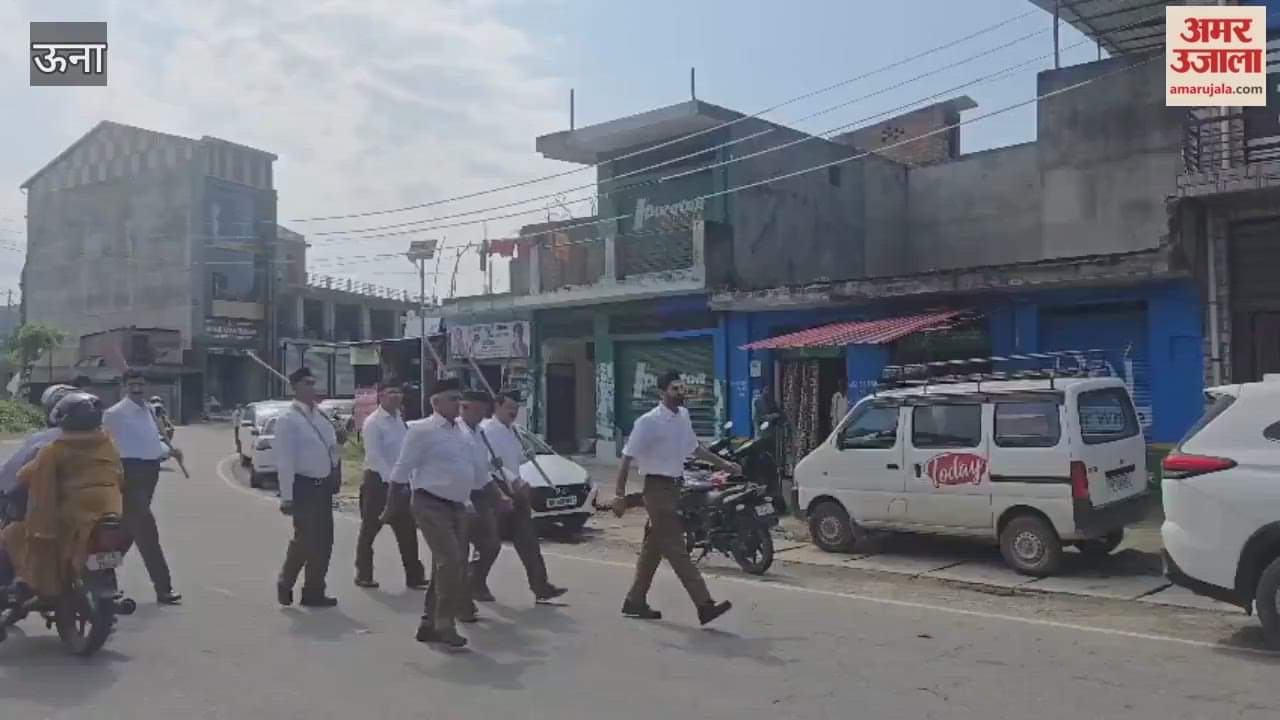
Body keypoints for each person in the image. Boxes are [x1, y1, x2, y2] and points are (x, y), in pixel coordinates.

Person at [611, 370, 739, 626]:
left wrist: (724, 464)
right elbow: (626, 458)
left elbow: (694, 448)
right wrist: (618, 494)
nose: (680, 393)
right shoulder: (648, 422)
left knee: (653, 549)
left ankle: (634, 601)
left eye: (682, 388)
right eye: (674, 389)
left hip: (675, 488)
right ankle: (704, 604)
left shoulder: (683, 416)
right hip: (656, 489)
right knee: (676, 549)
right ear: (661, 392)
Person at [385, 377, 488, 649]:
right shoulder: (421, 430)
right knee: (451, 561)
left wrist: (472, 500)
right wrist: (391, 507)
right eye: (453, 399)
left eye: (460, 399)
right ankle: (445, 623)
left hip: (457, 506)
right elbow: (401, 470)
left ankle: (428, 623)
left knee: (447, 565)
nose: (458, 404)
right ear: (436, 402)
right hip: (429, 503)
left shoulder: (462, 432)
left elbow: (469, 471)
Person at [1, 392, 124, 600]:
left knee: (23, 532)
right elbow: (120, 475)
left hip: (72, 514)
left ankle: (28, 581)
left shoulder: (52, 448)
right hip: (110, 510)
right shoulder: (108, 442)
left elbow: (20, 474)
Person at [475, 389, 566, 603]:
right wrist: (512, 480)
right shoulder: (487, 432)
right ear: (496, 407)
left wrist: (527, 456)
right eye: (509, 407)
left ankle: (541, 586)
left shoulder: (514, 431)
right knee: (490, 542)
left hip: (515, 489)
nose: (513, 412)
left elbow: (516, 459)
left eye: (516, 408)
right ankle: (475, 582)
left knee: (528, 540)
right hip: (495, 488)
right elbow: (489, 464)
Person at [103, 369, 182, 605]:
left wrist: (170, 451)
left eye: (140, 385)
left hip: (150, 475)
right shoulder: (114, 414)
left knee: (126, 535)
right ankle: (163, 588)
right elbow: (105, 446)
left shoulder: (149, 411)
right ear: (125, 386)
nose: (137, 389)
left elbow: (151, 443)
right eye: (132, 385)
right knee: (147, 530)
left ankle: (101, 577)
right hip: (129, 475)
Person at [274, 367, 341, 608]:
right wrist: (286, 496)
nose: (313, 387)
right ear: (296, 387)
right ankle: (285, 580)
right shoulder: (288, 420)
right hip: (302, 486)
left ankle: (314, 590)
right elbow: (285, 460)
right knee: (305, 539)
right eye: (307, 383)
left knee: (325, 540)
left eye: (314, 382)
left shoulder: (321, 417)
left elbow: (332, 448)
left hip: (323, 486)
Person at [0, 384, 77, 588]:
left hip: (48, 510)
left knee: (12, 530)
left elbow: (13, 474)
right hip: (94, 511)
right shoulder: (104, 440)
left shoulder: (43, 440)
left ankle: (22, 580)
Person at [354, 380, 425, 590]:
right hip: (378, 483)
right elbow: (375, 456)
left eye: (398, 392)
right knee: (370, 530)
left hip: (402, 484)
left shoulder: (400, 421)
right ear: (380, 396)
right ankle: (364, 574)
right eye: (390, 392)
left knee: (407, 531)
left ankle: (414, 576)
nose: (395, 396)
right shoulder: (373, 423)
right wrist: (393, 480)